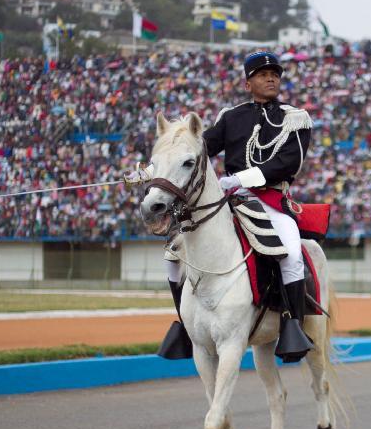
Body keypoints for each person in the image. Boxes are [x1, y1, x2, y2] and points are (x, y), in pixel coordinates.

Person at [129, 51, 314, 363]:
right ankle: (184, 327)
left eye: (275, 73)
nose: (271, 78)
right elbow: (193, 150)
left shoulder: (294, 118)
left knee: (292, 254)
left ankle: (292, 325)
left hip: (270, 200)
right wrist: (151, 173)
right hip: (231, 202)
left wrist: (241, 178)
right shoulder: (232, 117)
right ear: (248, 83)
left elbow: (288, 162)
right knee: (172, 258)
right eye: (262, 74)